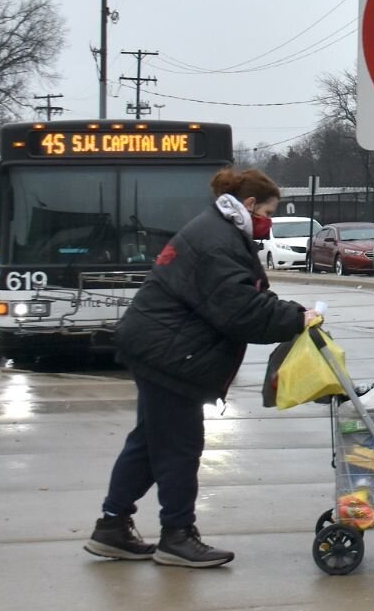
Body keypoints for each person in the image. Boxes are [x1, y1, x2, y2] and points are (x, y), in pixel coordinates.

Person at [85, 167, 316, 568]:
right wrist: (296, 318)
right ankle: (176, 535)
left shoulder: (217, 231)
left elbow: (241, 295)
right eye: (268, 212)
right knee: (179, 446)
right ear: (249, 205)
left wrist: (285, 311)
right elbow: (239, 309)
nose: (268, 222)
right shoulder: (217, 241)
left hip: (159, 348)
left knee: (148, 442)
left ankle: (112, 526)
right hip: (170, 356)